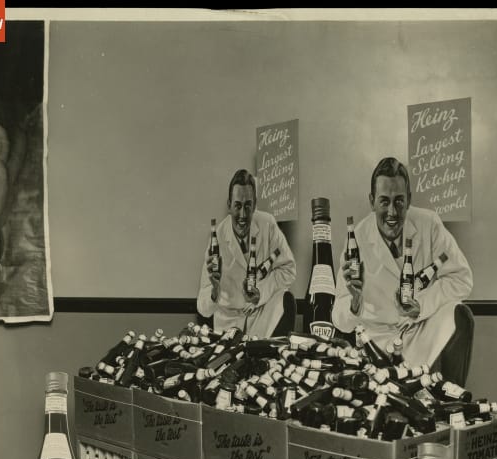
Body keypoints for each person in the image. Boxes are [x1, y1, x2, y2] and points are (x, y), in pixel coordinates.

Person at [332, 157, 474, 373]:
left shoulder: (429, 225)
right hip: (376, 342)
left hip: (420, 331)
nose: (392, 212)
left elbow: (462, 279)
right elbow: (339, 319)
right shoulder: (357, 237)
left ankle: (451, 393)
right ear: (372, 201)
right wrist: (355, 302)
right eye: (384, 201)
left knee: (460, 315)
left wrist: (421, 306)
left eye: (399, 201)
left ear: (409, 200)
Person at [197, 169, 297, 337]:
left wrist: (261, 293)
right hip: (228, 322)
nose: (243, 215)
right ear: (229, 205)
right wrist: (214, 290)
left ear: (255, 205)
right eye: (237, 206)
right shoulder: (218, 237)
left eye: (248, 206)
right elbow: (203, 308)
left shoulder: (268, 225)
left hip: (261, 315)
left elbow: (289, 271)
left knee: (286, 299)